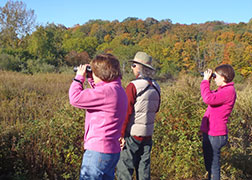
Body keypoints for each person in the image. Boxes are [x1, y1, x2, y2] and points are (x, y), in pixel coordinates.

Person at [69, 53, 128, 180]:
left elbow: (75, 98)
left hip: (98, 151)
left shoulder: (106, 92)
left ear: (101, 73)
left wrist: (79, 77)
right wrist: (92, 78)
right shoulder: (118, 90)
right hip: (111, 151)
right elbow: (100, 91)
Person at [116, 52, 161, 180]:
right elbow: (156, 109)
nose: (132, 68)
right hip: (147, 134)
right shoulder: (156, 86)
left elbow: (126, 112)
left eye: (134, 65)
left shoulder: (133, 86)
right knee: (144, 170)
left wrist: (121, 134)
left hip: (132, 134)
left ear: (140, 68)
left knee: (124, 169)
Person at [200, 64, 236, 180]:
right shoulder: (222, 90)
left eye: (216, 76)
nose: (214, 78)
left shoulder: (229, 91)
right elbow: (210, 96)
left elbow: (207, 98)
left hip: (216, 134)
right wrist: (208, 81)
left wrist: (205, 81)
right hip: (211, 132)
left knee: (213, 166)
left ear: (224, 77)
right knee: (209, 164)